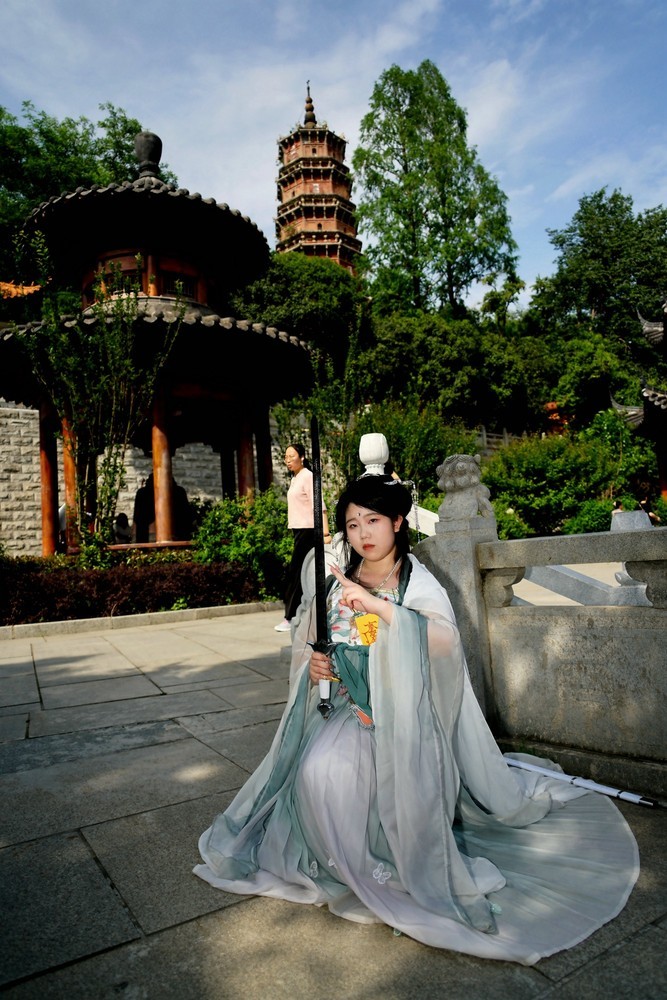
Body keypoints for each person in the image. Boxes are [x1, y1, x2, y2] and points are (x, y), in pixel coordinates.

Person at [194, 475, 639, 965]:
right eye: (352, 524)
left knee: (342, 776)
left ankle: (382, 862)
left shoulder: (417, 582)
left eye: (373, 520)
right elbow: (310, 648)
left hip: (402, 714)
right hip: (344, 707)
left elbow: (446, 645)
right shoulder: (334, 582)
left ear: (398, 522)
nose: (363, 533)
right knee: (318, 772)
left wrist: (381, 609)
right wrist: (316, 666)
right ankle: (339, 862)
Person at [274, 442, 331, 632]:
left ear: (302, 457)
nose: (288, 460)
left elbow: (320, 505)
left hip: (309, 531)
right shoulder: (296, 478)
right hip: (298, 531)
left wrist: (325, 533)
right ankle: (301, 614)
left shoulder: (307, 476)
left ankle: (290, 617)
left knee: (295, 574)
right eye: (286, 457)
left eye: (292, 456)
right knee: (300, 573)